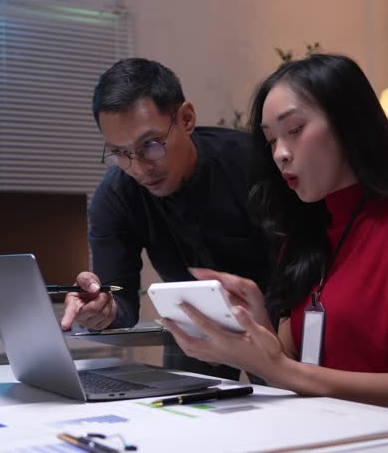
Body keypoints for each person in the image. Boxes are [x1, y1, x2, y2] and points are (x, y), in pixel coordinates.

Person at [161, 53, 388, 413]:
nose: (280, 154)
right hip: (313, 428)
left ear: (349, 124)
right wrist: (257, 326)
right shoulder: (306, 233)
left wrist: (274, 365)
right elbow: (294, 364)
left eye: (294, 130)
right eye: (271, 140)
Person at [59, 58, 276, 380]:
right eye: (120, 152)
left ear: (186, 118)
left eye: (150, 145)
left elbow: (299, 272)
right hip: (193, 328)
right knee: (184, 416)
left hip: (275, 322)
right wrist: (103, 310)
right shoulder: (116, 196)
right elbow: (121, 302)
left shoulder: (254, 165)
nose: (139, 168)